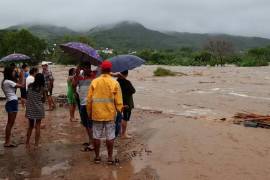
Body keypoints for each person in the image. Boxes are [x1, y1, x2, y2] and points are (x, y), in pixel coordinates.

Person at [87, 60, 123, 164]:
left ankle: (97, 157)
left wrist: (89, 112)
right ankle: (110, 158)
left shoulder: (94, 81)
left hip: (97, 114)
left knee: (96, 136)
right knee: (110, 137)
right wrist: (119, 112)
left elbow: (89, 99)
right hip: (110, 114)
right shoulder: (114, 82)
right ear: (110, 70)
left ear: (102, 69)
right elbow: (119, 101)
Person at [1, 66, 24, 147]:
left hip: (10, 102)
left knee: (10, 123)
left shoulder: (5, 81)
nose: (14, 72)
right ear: (10, 73)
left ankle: (8, 141)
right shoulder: (8, 82)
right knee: (10, 123)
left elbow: (18, 85)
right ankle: (7, 142)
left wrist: (19, 77)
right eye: (13, 71)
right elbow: (22, 86)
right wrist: (22, 75)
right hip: (12, 102)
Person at [76, 67, 96, 151]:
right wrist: (77, 74)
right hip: (83, 104)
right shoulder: (81, 81)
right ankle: (90, 141)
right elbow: (74, 86)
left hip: (88, 105)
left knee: (89, 125)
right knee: (86, 125)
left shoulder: (93, 81)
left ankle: (92, 143)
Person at [25, 73, 45, 149]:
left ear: (35, 78)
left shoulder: (30, 85)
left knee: (30, 126)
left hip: (30, 108)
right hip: (39, 108)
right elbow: (43, 99)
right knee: (38, 126)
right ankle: (36, 145)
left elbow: (28, 95)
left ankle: (27, 143)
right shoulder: (42, 88)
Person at [117, 70, 136, 138]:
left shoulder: (116, 81)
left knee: (118, 117)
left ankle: (118, 132)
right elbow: (133, 91)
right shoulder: (127, 82)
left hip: (118, 102)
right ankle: (123, 134)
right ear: (126, 74)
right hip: (127, 103)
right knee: (125, 118)